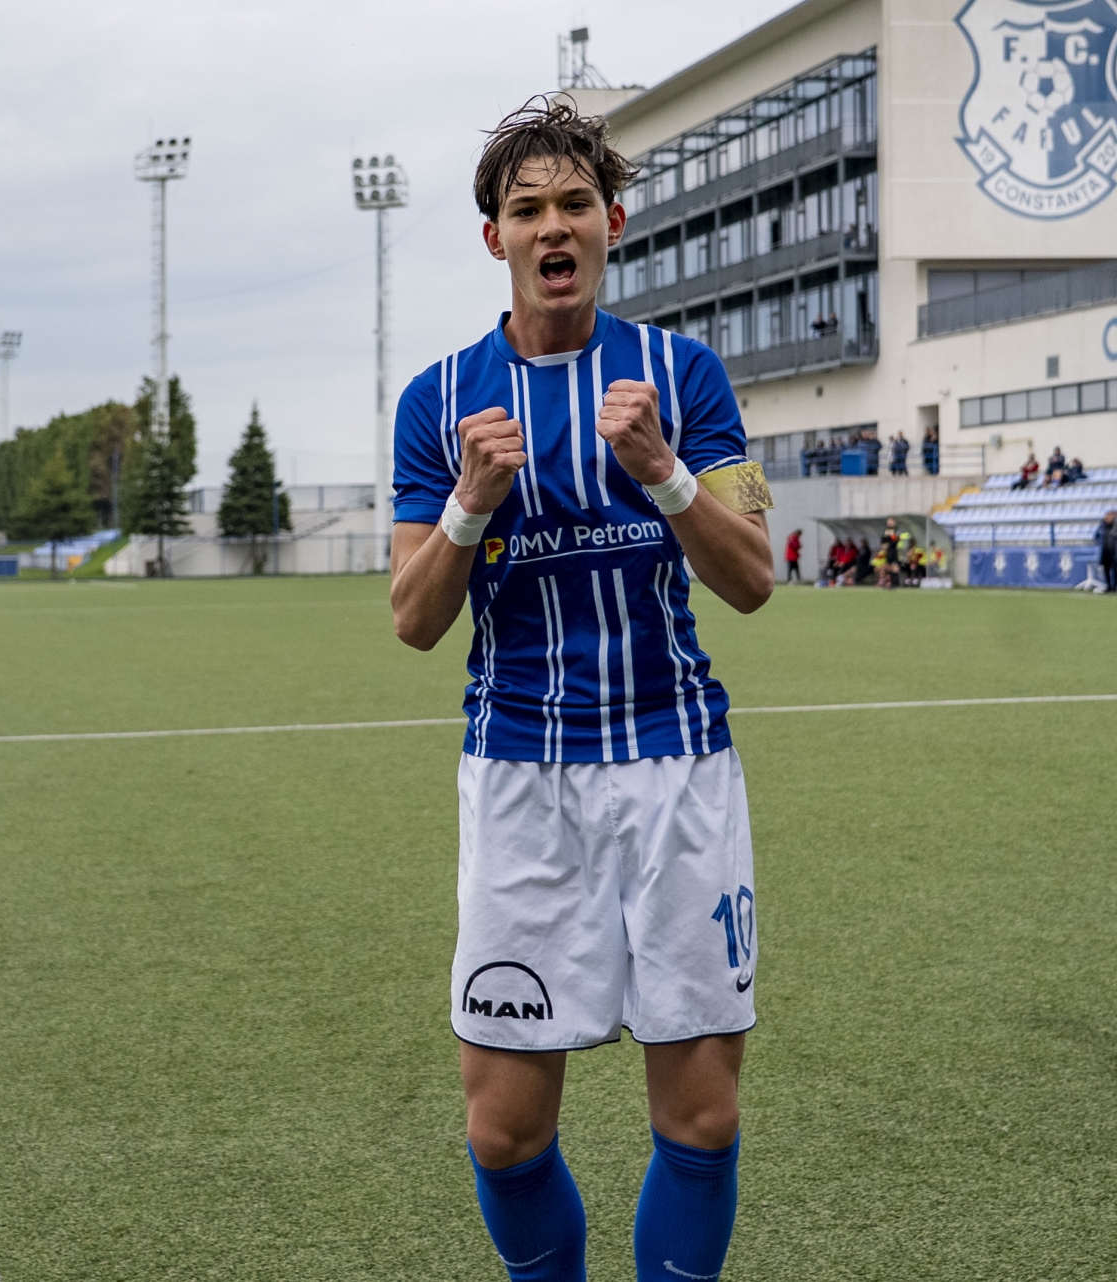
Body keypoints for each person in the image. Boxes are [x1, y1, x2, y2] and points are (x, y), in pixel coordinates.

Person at [387, 99, 770, 1281]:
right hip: (519, 776)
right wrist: (469, 503)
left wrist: (662, 472)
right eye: (525, 210)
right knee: (503, 1131)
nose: (551, 226)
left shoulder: (684, 377)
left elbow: (753, 576)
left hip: (676, 768)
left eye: (572, 204)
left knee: (699, 1116)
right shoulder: (437, 400)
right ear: (493, 237)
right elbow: (412, 617)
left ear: (612, 222)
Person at [1095, 509, 1117, 593]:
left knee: (1114, 569)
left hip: (1114, 551)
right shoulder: (1102, 525)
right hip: (1104, 551)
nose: (1108, 518)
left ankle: (1114, 587)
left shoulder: (1116, 526)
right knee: (1106, 569)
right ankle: (1108, 585)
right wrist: (1100, 543)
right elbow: (1096, 536)